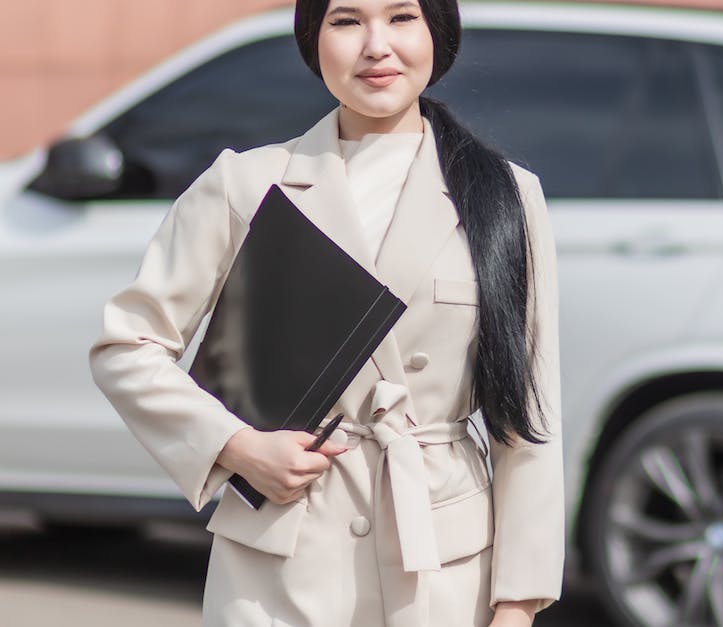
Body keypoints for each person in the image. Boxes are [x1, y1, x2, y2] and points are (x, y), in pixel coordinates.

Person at [86, 0, 564, 625]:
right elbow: (128, 346)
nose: (376, 46)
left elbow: (530, 415)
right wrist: (237, 446)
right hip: (281, 561)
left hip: (444, 565)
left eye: (401, 18)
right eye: (346, 21)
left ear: (437, 33)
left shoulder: (505, 194)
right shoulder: (246, 184)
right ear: (313, 40)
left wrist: (517, 605)